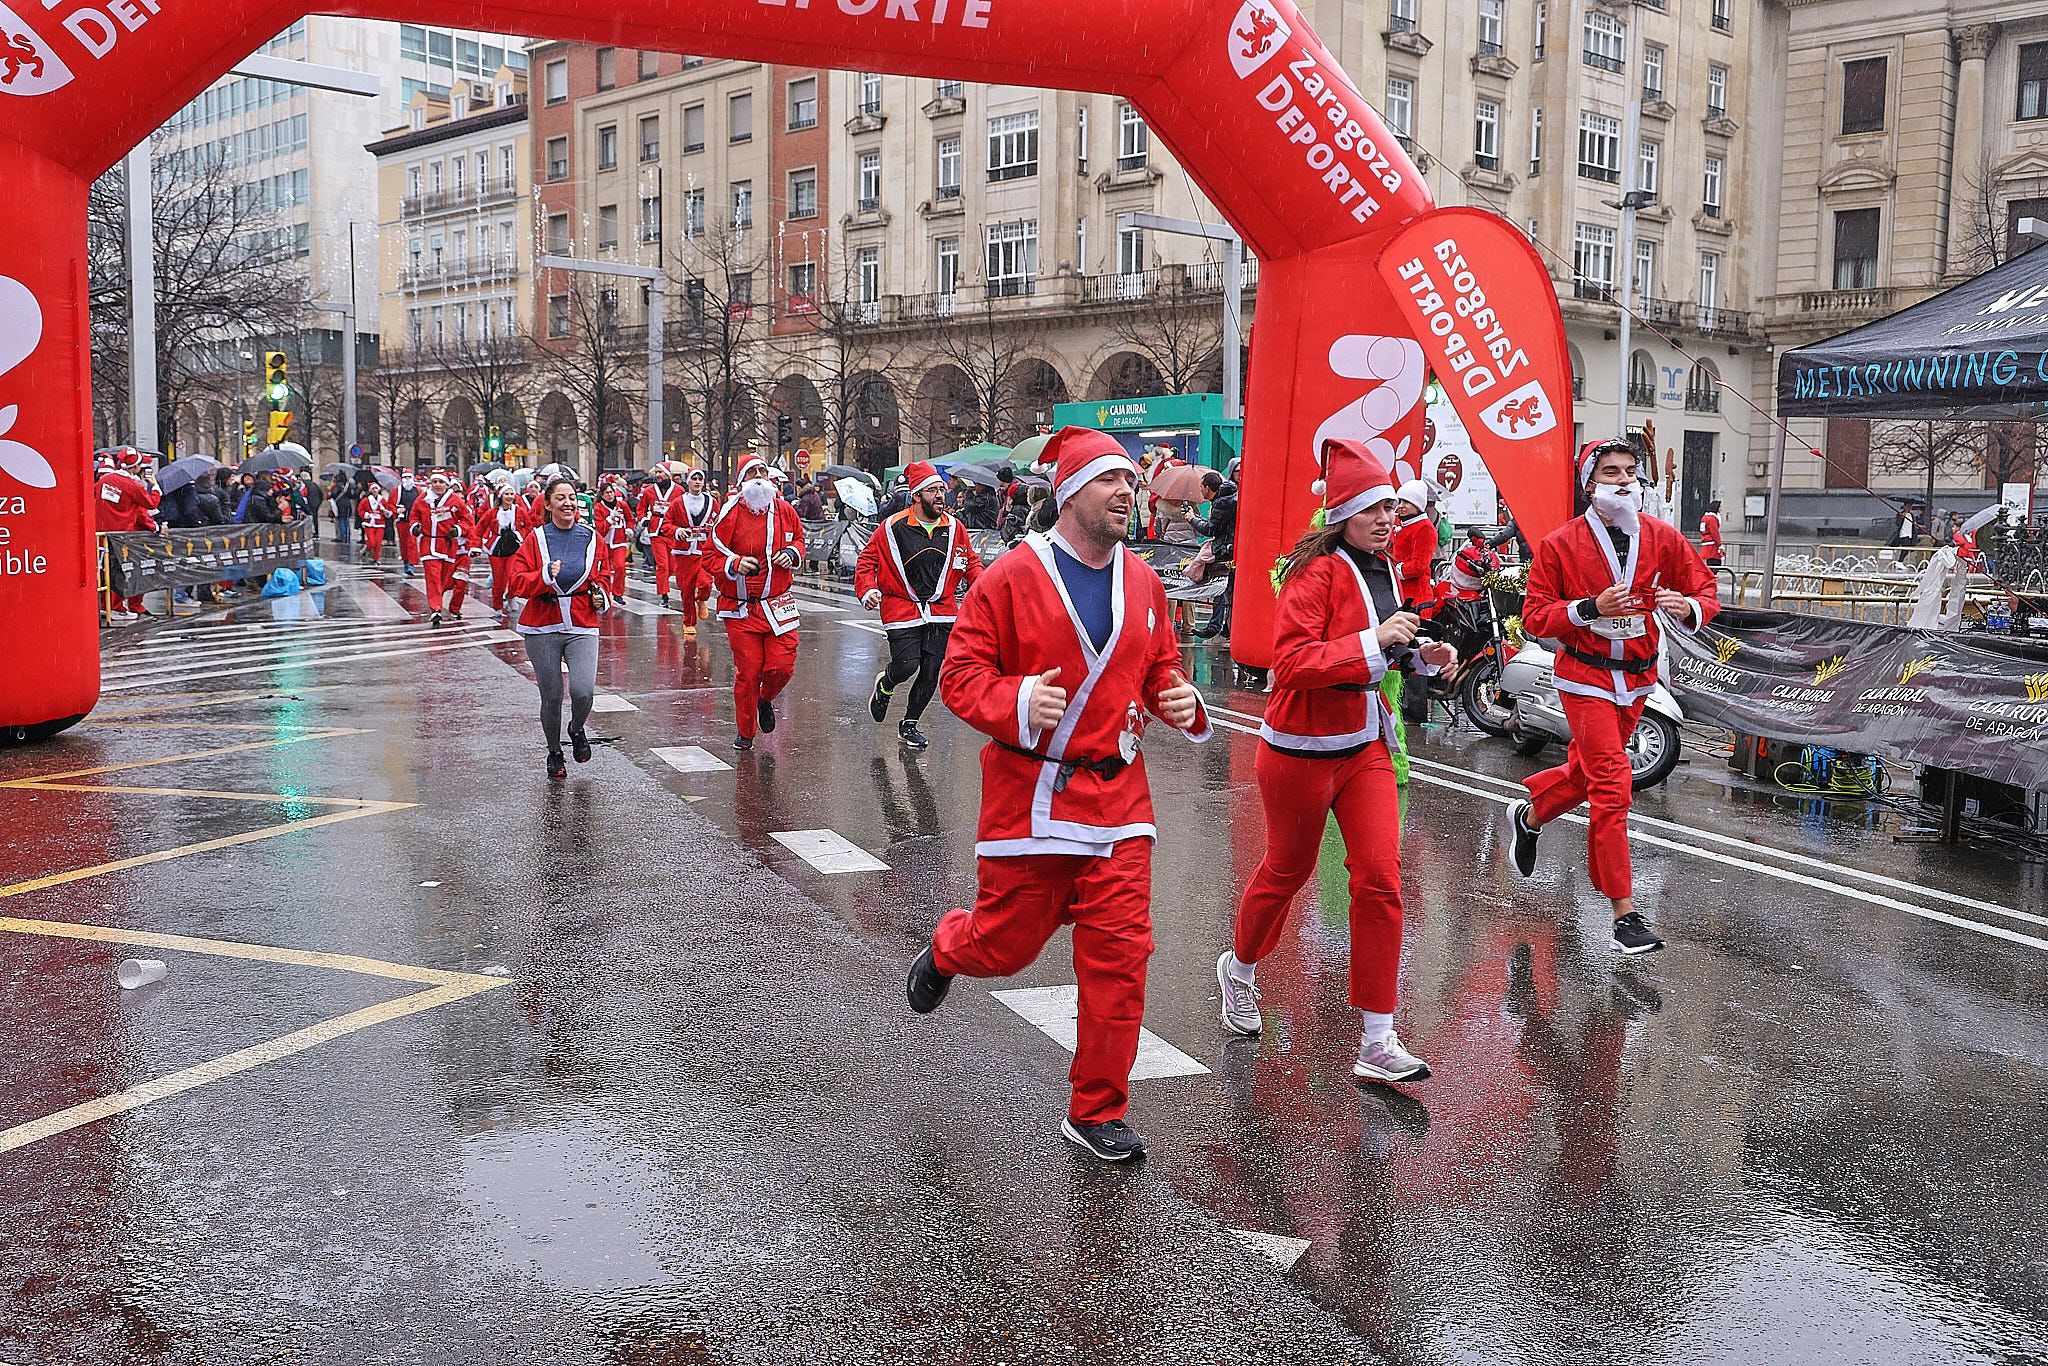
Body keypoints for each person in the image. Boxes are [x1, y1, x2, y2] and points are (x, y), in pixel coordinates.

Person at [903, 427, 1210, 1163]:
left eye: (1132, 485)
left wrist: (1180, 700)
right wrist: (1014, 701)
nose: (1126, 495)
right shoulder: (1011, 576)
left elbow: (1162, 669)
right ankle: (948, 951)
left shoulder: (1142, 582)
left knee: (1122, 958)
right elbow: (959, 676)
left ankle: (1096, 1109)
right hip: (1034, 802)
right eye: (1111, 482)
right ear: (1070, 492)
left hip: (1121, 803)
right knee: (1005, 947)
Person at [1216, 438, 1457, 1081]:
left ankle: (1378, 1038)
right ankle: (1238, 968)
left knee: (1380, 876)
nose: (1387, 519)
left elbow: (1385, 648)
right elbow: (1292, 664)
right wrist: (1373, 641)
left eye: (1392, 508)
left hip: (1363, 748)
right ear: (1341, 514)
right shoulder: (1314, 574)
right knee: (1286, 873)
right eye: (1373, 508)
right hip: (1298, 750)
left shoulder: (1385, 569)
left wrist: (1420, 656)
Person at [1507, 438, 1720, 955]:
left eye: (1630, 470)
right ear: (1589, 484)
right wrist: (1588, 608)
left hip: (1639, 678)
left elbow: (1707, 591)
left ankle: (1530, 816)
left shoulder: (1663, 538)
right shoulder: (1560, 544)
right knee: (1611, 781)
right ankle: (1623, 910)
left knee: (1586, 775)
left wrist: (1687, 605)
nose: (1623, 479)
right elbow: (1536, 616)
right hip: (1584, 678)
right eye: (1610, 471)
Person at [857, 461, 985, 751]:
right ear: (917, 496)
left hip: (941, 607)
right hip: (902, 606)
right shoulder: (893, 527)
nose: (941, 495)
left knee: (930, 672)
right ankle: (886, 685)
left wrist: (983, 587)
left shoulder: (955, 528)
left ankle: (910, 724)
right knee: (906, 666)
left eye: (942, 489)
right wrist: (868, 590)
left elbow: (971, 563)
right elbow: (867, 561)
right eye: (933, 490)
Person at [507, 476, 606, 780]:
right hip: (543, 625)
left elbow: (603, 575)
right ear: (548, 504)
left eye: (572, 497)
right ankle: (554, 752)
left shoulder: (591, 537)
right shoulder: (535, 539)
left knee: (583, 690)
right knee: (551, 696)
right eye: (560, 498)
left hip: (581, 622)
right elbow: (516, 582)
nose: (568, 503)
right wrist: (544, 576)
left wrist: (602, 595)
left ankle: (576, 728)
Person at [709, 457, 805, 750]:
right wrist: (735, 563)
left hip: (778, 604)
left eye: (764, 471)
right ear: (741, 481)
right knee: (749, 672)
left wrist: (792, 552)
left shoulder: (785, 510)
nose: (760, 477)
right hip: (742, 608)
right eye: (753, 473)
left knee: (782, 668)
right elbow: (710, 556)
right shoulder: (729, 514)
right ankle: (745, 731)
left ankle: (766, 699)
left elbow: (800, 540)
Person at [1382, 478, 1440, 782]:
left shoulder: (1424, 529)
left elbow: (1419, 565)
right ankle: (1405, 705)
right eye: (1398, 502)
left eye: (1404, 502)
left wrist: (1393, 567)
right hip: (1400, 596)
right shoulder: (1401, 527)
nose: (1399, 507)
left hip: (1416, 599)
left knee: (1416, 653)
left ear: (1417, 504)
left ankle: (1417, 709)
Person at [95, 450, 160, 620]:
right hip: (122, 534)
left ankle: (106, 605)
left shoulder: (104, 480)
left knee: (105, 570)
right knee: (119, 570)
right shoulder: (132, 485)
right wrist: (154, 486)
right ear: (136, 466)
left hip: (101, 532)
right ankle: (116, 608)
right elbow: (150, 503)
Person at [409, 471, 474, 626]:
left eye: (441, 482)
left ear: (446, 484)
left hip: (448, 545)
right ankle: (436, 609)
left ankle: (440, 601)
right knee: (433, 577)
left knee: (444, 579)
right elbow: (414, 515)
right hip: (429, 545)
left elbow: (467, 519)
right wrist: (415, 526)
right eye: (435, 482)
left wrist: (458, 529)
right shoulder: (423, 499)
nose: (438, 485)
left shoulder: (455, 500)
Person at [1190, 469, 1237, 640]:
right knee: (1223, 589)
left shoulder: (1222, 503)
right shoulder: (1226, 499)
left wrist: (1192, 519)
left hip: (1226, 551)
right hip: (1229, 548)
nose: (1200, 491)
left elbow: (1211, 529)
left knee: (1224, 589)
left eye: (1201, 487)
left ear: (1208, 488)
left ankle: (1223, 627)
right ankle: (1220, 627)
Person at [668, 468, 719, 629]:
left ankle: (702, 599)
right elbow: (666, 524)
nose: (697, 482)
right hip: (684, 552)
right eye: (694, 479)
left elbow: (719, 524)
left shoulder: (712, 502)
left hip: (704, 550)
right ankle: (689, 623)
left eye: (700, 479)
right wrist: (678, 531)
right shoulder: (678, 502)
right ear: (688, 482)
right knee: (686, 589)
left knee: (705, 583)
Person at [637, 463, 690, 608]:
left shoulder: (679, 490)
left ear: (668, 474)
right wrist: (644, 520)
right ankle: (664, 594)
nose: (658, 475)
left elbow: (684, 509)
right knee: (662, 565)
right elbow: (641, 508)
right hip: (656, 530)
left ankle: (664, 585)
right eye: (656, 472)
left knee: (673, 567)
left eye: (661, 472)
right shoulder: (649, 491)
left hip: (672, 531)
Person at [483, 483, 526, 616]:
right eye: (506, 494)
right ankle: (497, 607)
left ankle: (511, 595)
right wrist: (475, 545)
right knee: (498, 580)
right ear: (501, 496)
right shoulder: (492, 513)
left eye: (511, 494)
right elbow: (480, 528)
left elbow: (529, 527)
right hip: (496, 548)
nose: (509, 496)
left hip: (513, 546)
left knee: (512, 575)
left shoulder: (520, 511)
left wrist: (518, 535)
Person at [593, 478, 637, 597]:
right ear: (602, 495)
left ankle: (618, 593)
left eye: (611, 492)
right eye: (607, 493)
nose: (610, 495)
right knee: (604, 570)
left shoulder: (622, 505)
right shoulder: (598, 508)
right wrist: (610, 519)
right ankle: (604, 592)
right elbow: (600, 529)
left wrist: (629, 529)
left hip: (619, 542)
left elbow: (630, 519)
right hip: (605, 543)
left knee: (620, 566)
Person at [394, 472, 423, 577]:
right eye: (405, 477)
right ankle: (406, 562)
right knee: (403, 543)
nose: (407, 479)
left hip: (413, 521)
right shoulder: (397, 491)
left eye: (409, 477)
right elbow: (390, 504)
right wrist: (398, 510)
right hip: (402, 521)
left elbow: (422, 504)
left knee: (412, 543)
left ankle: (411, 565)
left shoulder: (418, 491)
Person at [357, 484, 389, 562]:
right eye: (373, 489)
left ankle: (376, 559)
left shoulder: (382, 500)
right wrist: (366, 515)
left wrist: (384, 510)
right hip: (369, 523)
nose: (375, 490)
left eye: (376, 488)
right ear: (371, 490)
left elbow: (388, 512)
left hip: (380, 523)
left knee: (378, 543)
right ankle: (366, 548)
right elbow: (360, 509)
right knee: (372, 542)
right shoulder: (366, 500)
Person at [1698, 498, 1725, 567]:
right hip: (1711, 544)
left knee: (1709, 561)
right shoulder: (1712, 519)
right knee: (1715, 563)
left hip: (1706, 541)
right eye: (1720, 507)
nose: (1721, 508)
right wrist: (1719, 544)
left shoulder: (1704, 517)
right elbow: (1714, 532)